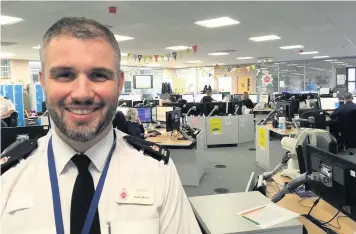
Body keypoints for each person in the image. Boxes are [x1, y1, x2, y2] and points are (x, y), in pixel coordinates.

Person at [1, 17, 201, 234]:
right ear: (43, 82)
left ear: (120, 83)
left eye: (98, 75)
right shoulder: (8, 177)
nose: (82, 94)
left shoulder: (157, 171)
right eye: (65, 75)